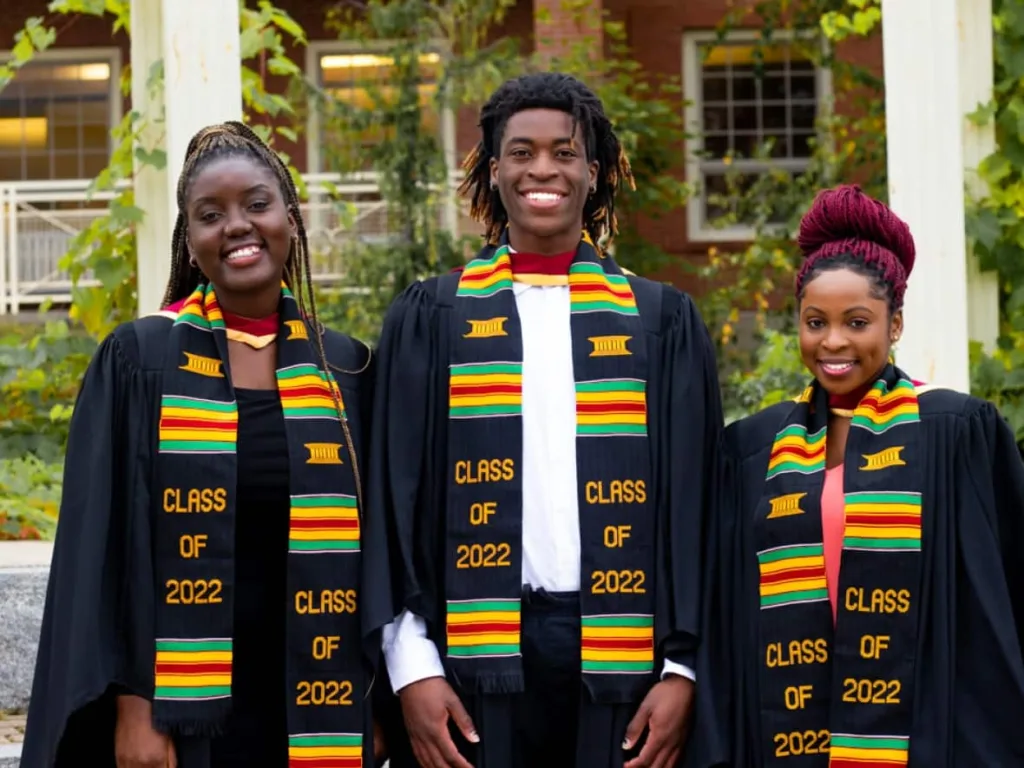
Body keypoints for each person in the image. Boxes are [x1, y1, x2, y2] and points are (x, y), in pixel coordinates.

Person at [364, 72, 723, 768]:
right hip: (468, 664)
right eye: (521, 152)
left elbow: (696, 507)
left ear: (594, 171)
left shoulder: (660, 323)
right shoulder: (433, 320)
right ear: (493, 171)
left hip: (626, 661)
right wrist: (412, 667)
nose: (543, 169)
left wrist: (684, 670)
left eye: (564, 151)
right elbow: (393, 501)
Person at [21, 121, 388, 767]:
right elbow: (106, 551)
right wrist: (135, 706)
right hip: (182, 719)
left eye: (256, 204)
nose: (237, 226)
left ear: (292, 220)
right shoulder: (141, 361)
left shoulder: (346, 371)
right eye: (210, 215)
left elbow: (380, 551)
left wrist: (375, 700)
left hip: (314, 705)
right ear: (190, 243)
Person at [700, 184, 1024, 766]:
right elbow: (728, 618)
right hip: (790, 730)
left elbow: (996, 601)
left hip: (923, 727)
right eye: (815, 322)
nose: (834, 342)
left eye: (857, 321)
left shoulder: (952, 432)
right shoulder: (755, 450)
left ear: (894, 324)